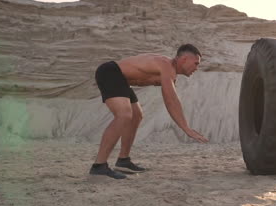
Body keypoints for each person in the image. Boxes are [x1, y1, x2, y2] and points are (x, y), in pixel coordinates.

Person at [89, 44, 209, 179]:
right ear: (184, 59)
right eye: (196, 63)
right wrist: (186, 129)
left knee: (136, 115)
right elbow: (171, 101)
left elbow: (171, 99)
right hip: (110, 72)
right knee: (124, 115)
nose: (196, 68)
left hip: (121, 79)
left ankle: (123, 161)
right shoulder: (167, 66)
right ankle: (99, 165)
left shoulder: (168, 70)